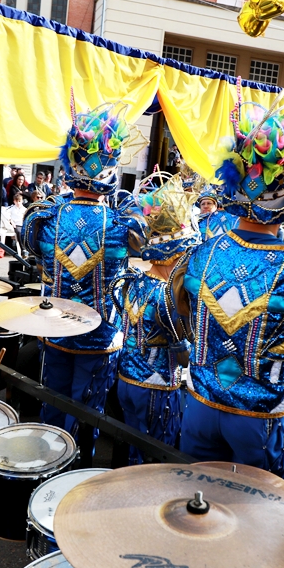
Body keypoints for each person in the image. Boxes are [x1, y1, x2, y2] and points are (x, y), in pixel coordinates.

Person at [167, 96, 284, 483]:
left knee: (196, 512)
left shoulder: (199, 255)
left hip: (201, 407)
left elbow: (181, 320)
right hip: (260, 420)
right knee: (255, 527)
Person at [22, 99, 144, 447]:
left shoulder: (43, 219)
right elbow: (144, 239)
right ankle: (77, 470)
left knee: (53, 405)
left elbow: (31, 242)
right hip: (100, 334)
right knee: (87, 413)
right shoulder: (122, 225)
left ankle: (48, 462)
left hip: (53, 328)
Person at [110, 173, 198, 465]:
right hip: (157, 389)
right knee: (155, 462)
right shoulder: (167, 296)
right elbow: (184, 355)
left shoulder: (132, 281)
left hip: (125, 382)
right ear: (176, 255)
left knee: (132, 452)